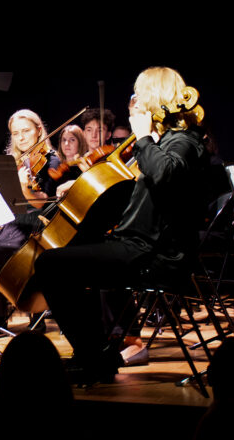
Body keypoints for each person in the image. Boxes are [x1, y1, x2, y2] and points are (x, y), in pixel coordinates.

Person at [33, 67, 209, 386]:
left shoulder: (184, 141)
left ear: (156, 97)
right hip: (137, 246)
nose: (135, 101)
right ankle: (95, 354)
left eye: (140, 94)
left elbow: (165, 174)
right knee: (68, 255)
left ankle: (94, 357)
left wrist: (143, 136)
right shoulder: (162, 142)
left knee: (51, 265)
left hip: (155, 256)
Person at [0, 109, 62, 330]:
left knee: (19, 251)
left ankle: (36, 316)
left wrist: (23, 186)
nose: (21, 137)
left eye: (26, 131)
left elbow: (41, 202)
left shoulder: (51, 160)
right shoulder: (15, 161)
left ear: (38, 130)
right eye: (16, 133)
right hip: (16, 220)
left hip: (41, 221)